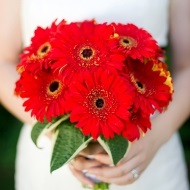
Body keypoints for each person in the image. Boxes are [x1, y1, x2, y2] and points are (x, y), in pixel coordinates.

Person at [0, 0, 190, 189]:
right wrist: (63, 137)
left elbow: (187, 67)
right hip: (49, 161)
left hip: (150, 148)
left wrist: (154, 138)